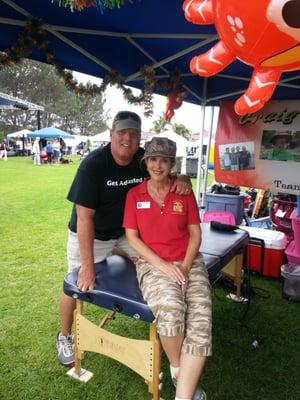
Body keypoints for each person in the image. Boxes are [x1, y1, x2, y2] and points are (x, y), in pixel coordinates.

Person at [56, 111, 192, 366]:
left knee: (155, 261)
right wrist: (86, 267)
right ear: (111, 134)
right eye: (122, 132)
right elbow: (84, 218)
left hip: (124, 233)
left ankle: (167, 309)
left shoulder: (142, 159)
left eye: (134, 133)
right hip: (90, 234)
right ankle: (64, 336)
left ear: (140, 137)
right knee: (75, 283)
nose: (128, 138)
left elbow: (166, 172)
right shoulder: (93, 165)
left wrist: (183, 178)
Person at [123, 137, 211, 400]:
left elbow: (195, 235)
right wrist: (162, 266)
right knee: (171, 309)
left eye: (163, 160)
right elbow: (132, 237)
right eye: (152, 159)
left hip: (189, 262)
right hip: (152, 265)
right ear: (146, 162)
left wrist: (184, 267)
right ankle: (177, 368)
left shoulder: (183, 191)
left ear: (172, 164)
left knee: (201, 319)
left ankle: (182, 396)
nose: (157, 165)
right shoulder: (134, 194)